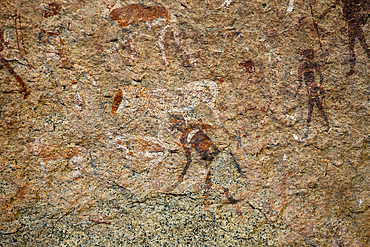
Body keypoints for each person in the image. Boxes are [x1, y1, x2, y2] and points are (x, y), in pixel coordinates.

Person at [320, 0, 370, 76]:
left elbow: (366, 8)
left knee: (357, 45)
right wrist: (323, 14)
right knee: (356, 45)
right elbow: (334, 5)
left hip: (355, 23)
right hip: (351, 23)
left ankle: (352, 68)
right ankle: (352, 68)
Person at [295, 49, 329, 139]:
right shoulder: (303, 66)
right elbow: (300, 82)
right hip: (310, 89)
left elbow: (321, 76)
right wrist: (297, 91)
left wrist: (320, 86)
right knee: (317, 107)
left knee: (312, 109)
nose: (311, 56)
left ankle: (308, 131)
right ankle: (326, 124)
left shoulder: (313, 65)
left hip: (313, 89)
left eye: (312, 54)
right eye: (309, 54)